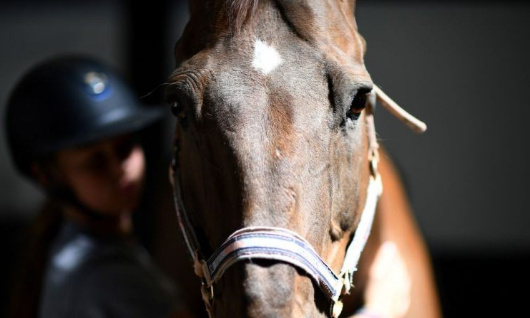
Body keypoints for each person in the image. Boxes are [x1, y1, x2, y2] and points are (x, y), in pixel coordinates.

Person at [5, 56, 189, 318]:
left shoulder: (68, 248)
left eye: (125, 148)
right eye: (94, 161)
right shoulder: (109, 277)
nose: (120, 169)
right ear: (47, 175)